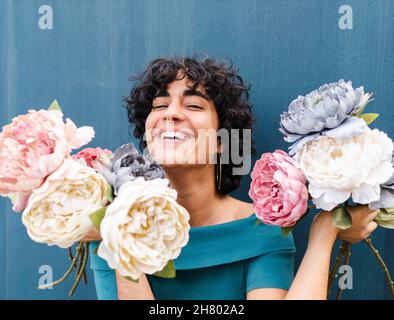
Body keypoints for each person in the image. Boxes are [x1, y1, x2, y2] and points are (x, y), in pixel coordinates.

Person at [83, 56, 379, 300]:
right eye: (160, 105)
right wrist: (119, 237)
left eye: (194, 105)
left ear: (223, 140)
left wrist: (325, 231)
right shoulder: (110, 226)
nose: (170, 114)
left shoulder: (261, 231)